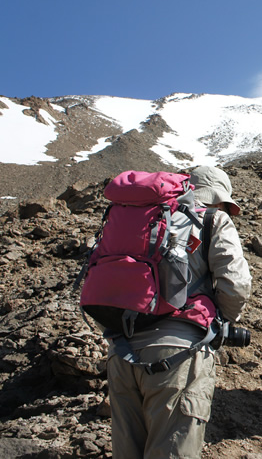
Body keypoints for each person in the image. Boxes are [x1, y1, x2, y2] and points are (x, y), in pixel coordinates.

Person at [107, 165, 252, 459]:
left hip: (120, 351)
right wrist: (220, 323)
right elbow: (235, 285)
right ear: (217, 198)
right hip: (179, 354)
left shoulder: (141, 218)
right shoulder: (213, 219)